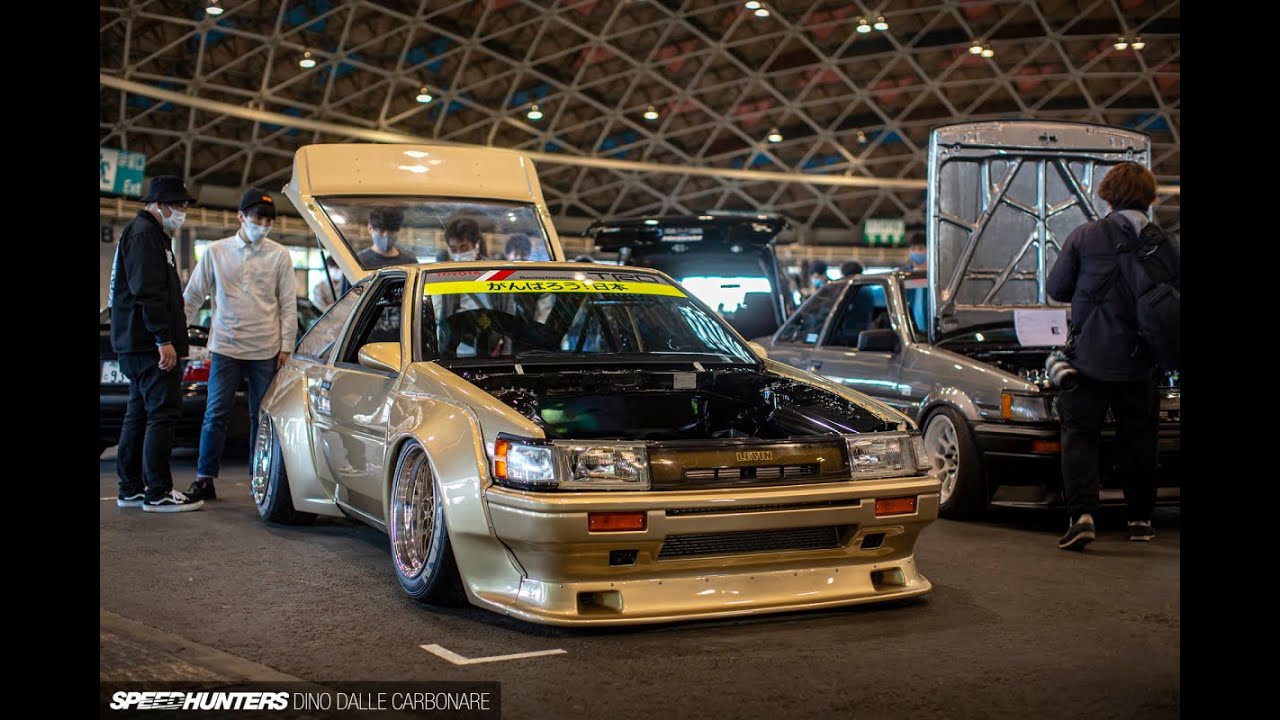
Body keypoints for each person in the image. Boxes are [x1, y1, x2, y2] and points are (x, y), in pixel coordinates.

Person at [1046, 161, 1179, 551]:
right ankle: (1140, 520)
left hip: (1089, 357)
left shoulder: (1086, 235)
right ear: (1149, 197)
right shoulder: (1167, 244)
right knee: (1140, 440)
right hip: (1142, 360)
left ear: (1107, 195)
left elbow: (1057, 288)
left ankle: (1083, 517)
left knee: (1080, 434)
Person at [181, 188, 298, 502]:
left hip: (266, 350)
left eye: (269, 220)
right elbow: (193, 296)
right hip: (226, 348)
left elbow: (288, 305)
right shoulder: (216, 252)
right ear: (241, 217)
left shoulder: (280, 255)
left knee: (262, 418)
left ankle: (260, 479)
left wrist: (286, 347)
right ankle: (205, 478)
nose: (264, 225)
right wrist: (175, 336)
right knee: (215, 414)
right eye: (258, 218)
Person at [108, 175, 204, 513]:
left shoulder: (149, 234)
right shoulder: (145, 235)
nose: (182, 212)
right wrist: (163, 339)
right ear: (159, 204)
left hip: (139, 343)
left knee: (138, 413)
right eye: (178, 205)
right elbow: (148, 292)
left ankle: (131, 487)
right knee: (162, 413)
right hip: (149, 345)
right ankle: (158, 491)